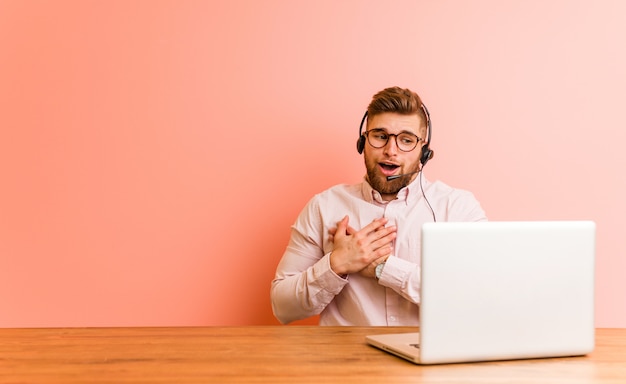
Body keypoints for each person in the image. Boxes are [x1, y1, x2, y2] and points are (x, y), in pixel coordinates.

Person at [270, 86, 487, 326]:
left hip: (428, 361)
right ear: (363, 141)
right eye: (380, 136)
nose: (390, 151)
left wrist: (384, 267)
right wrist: (337, 264)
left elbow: (478, 298)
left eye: (406, 140)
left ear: (423, 150)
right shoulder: (324, 206)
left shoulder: (457, 209)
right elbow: (283, 306)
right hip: (346, 361)